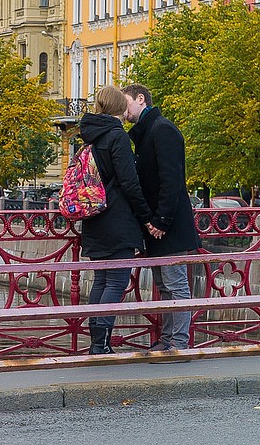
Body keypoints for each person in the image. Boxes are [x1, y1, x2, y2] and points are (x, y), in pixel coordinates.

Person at [122, 83, 201, 354]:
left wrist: (161, 220)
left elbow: (172, 180)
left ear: (141, 99)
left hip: (168, 227)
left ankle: (177, 343)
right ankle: (168, 340)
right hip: (158, 225)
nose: (124, 110)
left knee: (175, 286)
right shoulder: (149, 131)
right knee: (165, 287)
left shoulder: (162, 129)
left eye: (127, 103)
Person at [79, 86, 153, 355]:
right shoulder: (116, 136)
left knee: (101, 282)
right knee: (116, 282)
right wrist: (146, 216)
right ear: (119, 108)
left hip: (94, 220)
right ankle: (102, 343)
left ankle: (96, 342)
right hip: (117, 220)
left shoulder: (89, 136)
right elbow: (129, 182)